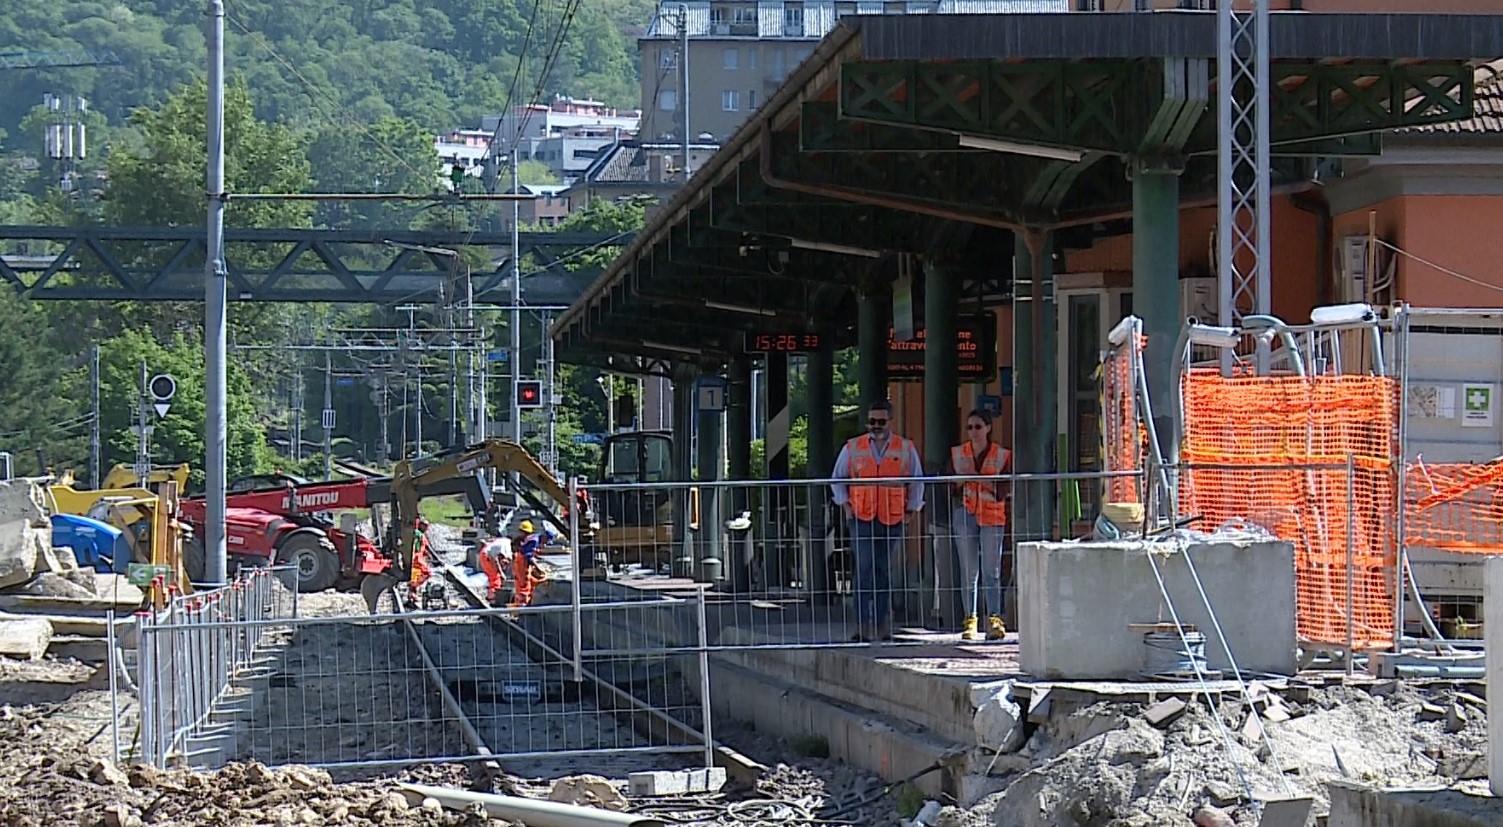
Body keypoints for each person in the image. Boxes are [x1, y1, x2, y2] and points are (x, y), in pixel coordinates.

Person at [831, 399, 925, 642]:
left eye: (881, 421)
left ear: (890, 422)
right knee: (863, 569)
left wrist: (911, 510)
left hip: (892, 518)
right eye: (872, 421)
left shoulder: (904, 448)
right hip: (861, 517)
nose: (876, 426)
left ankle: (883, 625)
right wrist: (846, 507)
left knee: (884, 570)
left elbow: (916, 480)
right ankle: (862, 626)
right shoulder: (853, 447)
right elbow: (837, 478)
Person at [950, 409, 1011, 642]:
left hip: (992, 517)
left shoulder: (1002, 455)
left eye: (977, 426)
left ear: (988, 428)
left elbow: (1005, 488)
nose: (973, 431)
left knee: (991, 570)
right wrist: (960, 481)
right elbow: (948, 484)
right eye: (969, 427)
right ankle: (970, 619)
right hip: (965, 514)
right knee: (968, 570)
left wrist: (983, 481)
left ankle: (995, 618)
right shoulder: (959, 454)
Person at [508, 519, 546, 609]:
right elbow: (528, 556)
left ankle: (519, 604)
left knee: (521, 585)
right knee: (524, 586)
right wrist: (539, 568)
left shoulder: (526, 539)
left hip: (520, 563)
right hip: (522, 564)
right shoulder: (533, 540)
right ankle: (523, 606)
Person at [478, 536, 512, 606]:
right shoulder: (506, 546)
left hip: (484, 554)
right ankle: (493, 600)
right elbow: (496, 559)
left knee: (493, 577)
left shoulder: (503, 541)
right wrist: (501, 572)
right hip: (487, 557)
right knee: (495, 579)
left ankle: (490, 597)